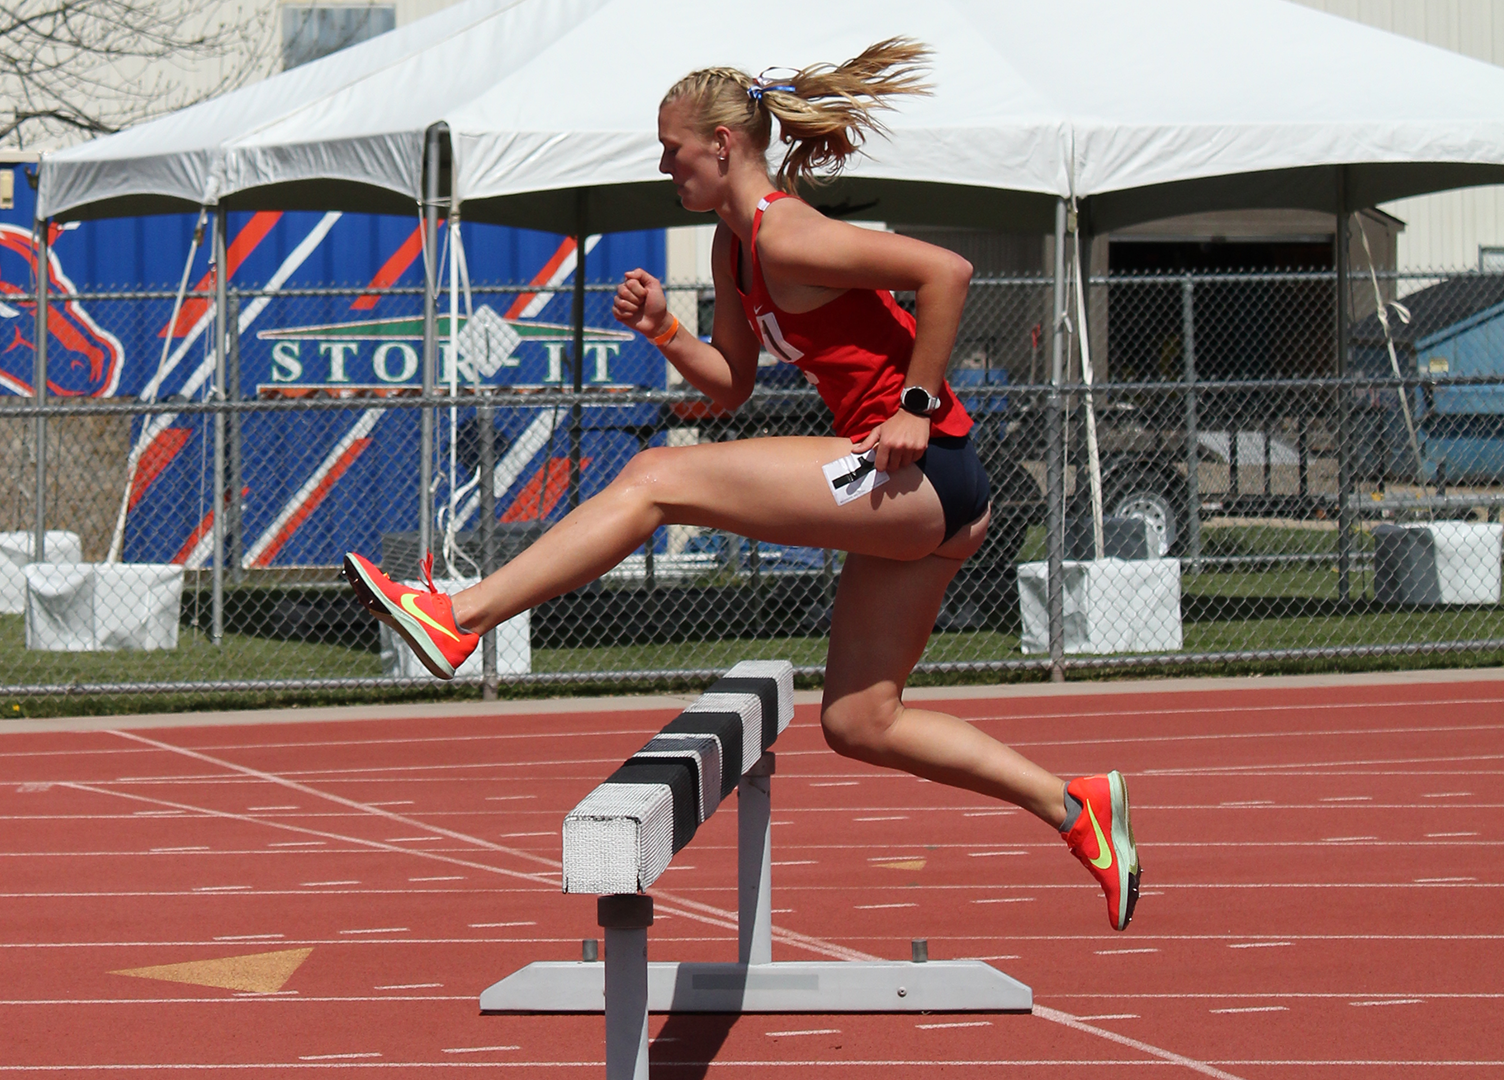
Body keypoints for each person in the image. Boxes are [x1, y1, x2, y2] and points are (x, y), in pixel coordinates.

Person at [343, 41, 1139, 931]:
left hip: (923, 468)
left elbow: (944, 274)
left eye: (670, 152)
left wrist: (914, 403)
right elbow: (730, 385)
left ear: (722, 145)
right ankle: (1075, 808)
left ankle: (460, 619)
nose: (661, 168)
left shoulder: (784, 230)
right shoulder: (735, 250)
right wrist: (667, 332)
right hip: (901, 489)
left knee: (656, 477)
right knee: (861, 721)